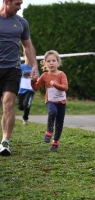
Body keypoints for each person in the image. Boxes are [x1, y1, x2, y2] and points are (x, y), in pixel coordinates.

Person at [0, 0, 38, 156]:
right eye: (17, 3)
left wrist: (34, 65)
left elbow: (27, 47)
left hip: (13, 69)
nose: (20, 7)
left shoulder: (21, 22)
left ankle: (5, 143)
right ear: (6, 2)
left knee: (8, 104)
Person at [31, 50, 68, 151]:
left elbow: (65, 87)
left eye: (53, 60)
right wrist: (33, 80)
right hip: (50, 101)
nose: (51, 63)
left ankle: (55, 142)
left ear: (58, 63)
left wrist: (55, 84)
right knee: (52, 111)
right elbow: (36, 88)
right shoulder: (44, 76)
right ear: (45, 63)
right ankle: (49, 131)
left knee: (60, 122)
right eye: (48, 61)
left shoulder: (61, 74)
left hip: (61, 103)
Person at [17, 54, 40, 125]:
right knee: (21, 107)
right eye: (27, 57)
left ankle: (25, 118)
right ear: (24, 57)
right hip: (21, 90)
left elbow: (38, 78)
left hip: (30, 90)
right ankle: (24, 109)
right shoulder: (21, 67)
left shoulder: (34, 68)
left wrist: (36, 79)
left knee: (27, 104)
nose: (29, 59)